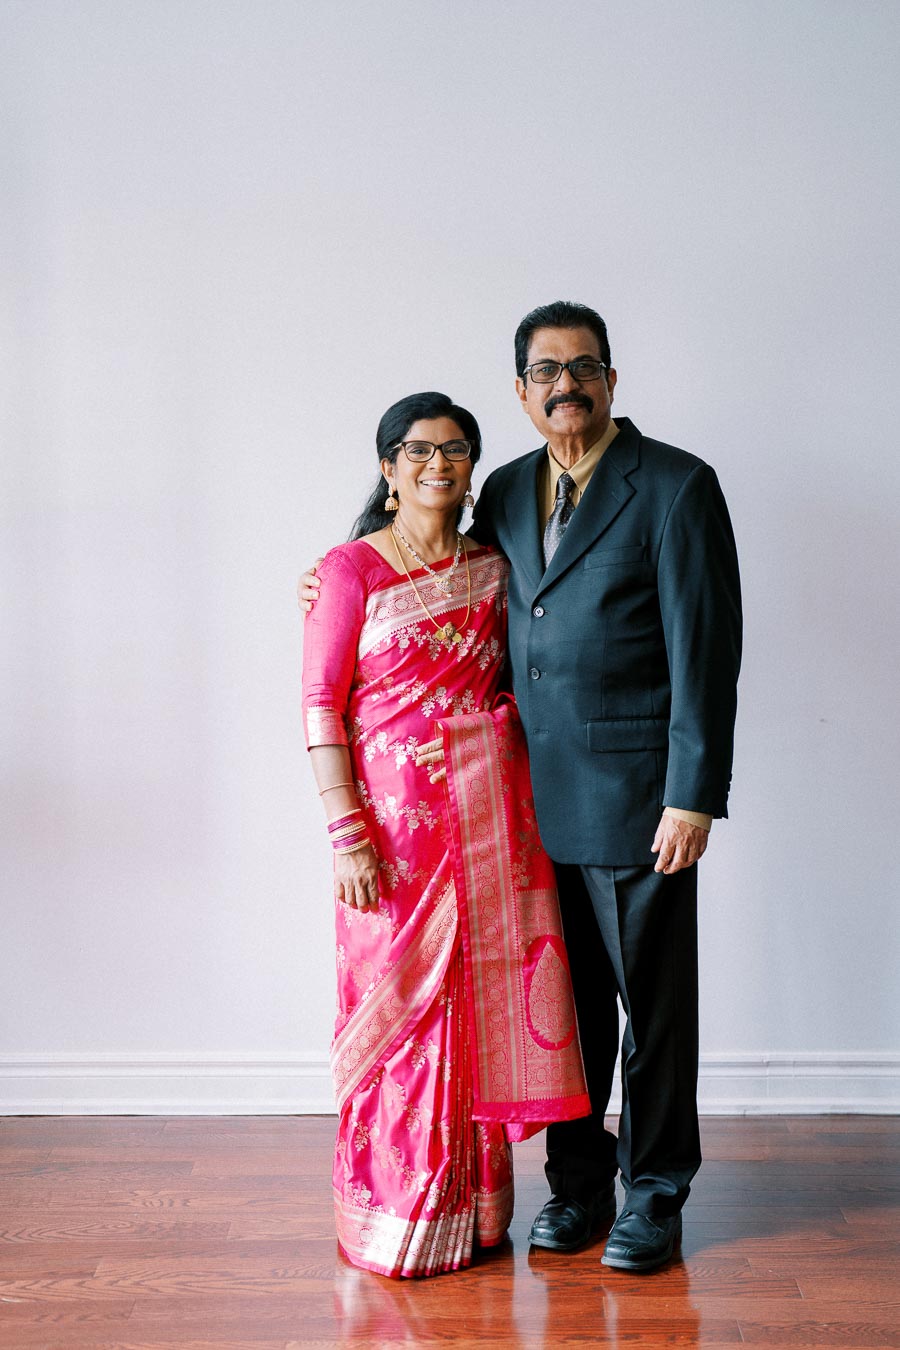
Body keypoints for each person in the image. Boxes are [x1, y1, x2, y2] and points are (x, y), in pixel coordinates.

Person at [300, 304, 742, 1274]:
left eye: (583, 367)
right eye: (546, 371)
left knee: (654, 1016)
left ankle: (654, 1196)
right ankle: (579, 1187)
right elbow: (427, 580)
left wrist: (693, 794)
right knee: (559, 1012)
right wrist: (329, 581)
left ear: (612, 380)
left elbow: (706, 653)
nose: (565, 384)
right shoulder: (503, 489)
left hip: (639, 803)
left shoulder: (674, 486)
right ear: (521, 391)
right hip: (520, 815)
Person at [301, 390, 589, 1280]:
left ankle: (472, 1211)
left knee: (470, 1016)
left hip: (484, 830)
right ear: (388, 469)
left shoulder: (496, 570)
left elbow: (530, 679)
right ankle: (394, 1215)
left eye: (456, 450)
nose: (439, 464)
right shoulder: (349, 571)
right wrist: (346, 832)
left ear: (472, 470)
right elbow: (320, 707)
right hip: (389, 842)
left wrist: (491, 732)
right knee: (396, 1017)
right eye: (420, 450)